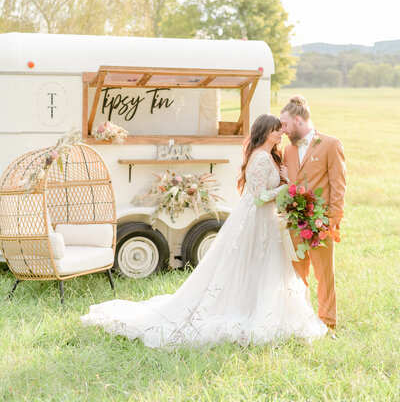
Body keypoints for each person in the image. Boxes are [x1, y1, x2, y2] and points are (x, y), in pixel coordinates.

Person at [81, 114, 327, 348]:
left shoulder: (268, 156)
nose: (281, 132)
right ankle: (251, 309)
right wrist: (286, 190)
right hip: (257, 219)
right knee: (254, 262)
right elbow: (260, 197)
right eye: (277, 130)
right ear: (266, 133)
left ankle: (257, 305)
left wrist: (283, 180)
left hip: (264, 221)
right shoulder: (261, 158)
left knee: (261, 264)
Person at [280, 96, 346, 336]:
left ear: (298, 120)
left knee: (324, 275)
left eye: (285, 125)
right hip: (294, 223)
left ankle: (328, 323)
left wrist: (331, 221)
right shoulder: (288, 149)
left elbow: (338, 185)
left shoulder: (330, 144)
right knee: (297, 276)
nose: (283, 130)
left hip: (321, 223)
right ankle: (302, 320)